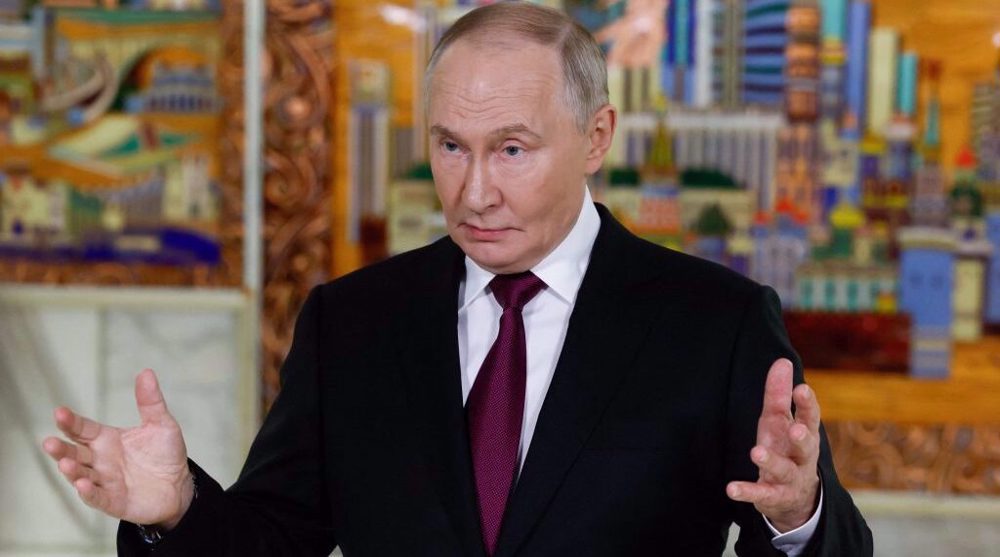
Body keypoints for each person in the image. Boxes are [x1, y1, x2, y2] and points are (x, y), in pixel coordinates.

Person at [43, 3, 873, 555]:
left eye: (512, 149)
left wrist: (796, 514)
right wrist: (178, 506)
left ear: (595, 137)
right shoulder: (352, 321)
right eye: (449, 146)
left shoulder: (716, 324)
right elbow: (272, 539)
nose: (474, 191)